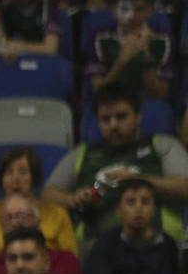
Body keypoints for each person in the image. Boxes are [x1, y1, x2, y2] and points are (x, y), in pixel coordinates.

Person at [43, 83, 188, 243]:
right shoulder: (82, 152)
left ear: (138, 116)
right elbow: (48, 193)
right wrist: (74, 199)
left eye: (121, 116)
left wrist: (137, 180)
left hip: (158, 247)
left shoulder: (162, 145)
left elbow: (185, 186)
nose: (113, 125)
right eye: (105, 119)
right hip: (96, 249)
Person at [0, 147, 78, 270]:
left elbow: (72, 263)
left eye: (23, 172)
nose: (15, 179)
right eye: (9, 172)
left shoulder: (57, 214)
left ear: (34, 177)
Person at [0, 193, 84, 274]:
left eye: (22, 216)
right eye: (8, 219)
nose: (16, 223)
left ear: (37, 222)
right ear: (2, 227)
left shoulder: (63, 261)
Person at [83, 177, 182, 274]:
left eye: (145, 202)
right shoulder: (105, 244)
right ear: (119, 210)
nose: (138, 208)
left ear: (154, 209)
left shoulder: (167, 246)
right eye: (131, 202)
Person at [85, 0, 172, 100]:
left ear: (149, 11)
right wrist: (121, 60)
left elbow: (161, 96)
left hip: (147, 105)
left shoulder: (161, 40)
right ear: (115, 10)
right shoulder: (100, 38)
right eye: (125, 9)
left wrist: (145, 58)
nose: (131, 16)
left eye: (138, 9)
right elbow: (98, 92)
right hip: (111, 103)